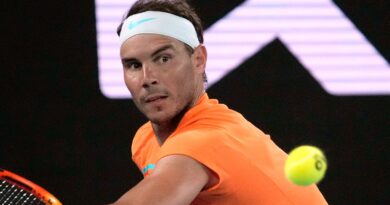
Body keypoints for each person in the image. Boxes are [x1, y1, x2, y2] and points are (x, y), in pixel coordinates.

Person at [112, 0, 328, 204]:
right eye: (133, 65)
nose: (148, 78)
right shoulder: (145, 140)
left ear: (198, 60)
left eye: (163, 59)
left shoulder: (206, 140)